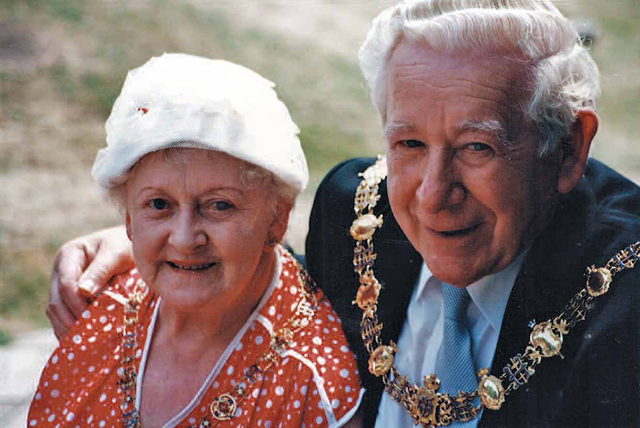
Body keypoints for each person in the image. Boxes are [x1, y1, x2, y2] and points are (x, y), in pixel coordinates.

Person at [46, 1, 640, 427]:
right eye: (408, 144)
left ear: (568, 150)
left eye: (476, 148)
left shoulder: (626, 314)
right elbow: (284, 280)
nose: (433, 195)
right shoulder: (355, 211)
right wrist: (157, 239)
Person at [29, 53, 363, 428]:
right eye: (159, 204)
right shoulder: (104, 311)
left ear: (277, 219)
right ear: (127, 218)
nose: (186, 238)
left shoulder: (309, 385)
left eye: (219, 206)